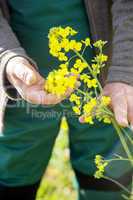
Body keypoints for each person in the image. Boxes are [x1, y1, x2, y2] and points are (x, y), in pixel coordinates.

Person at [0, 0, 132, 199]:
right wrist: (6, 56)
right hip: (19, 89)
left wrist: (125, 68)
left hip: (102, 84)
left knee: (108, 178)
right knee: (13, 176)